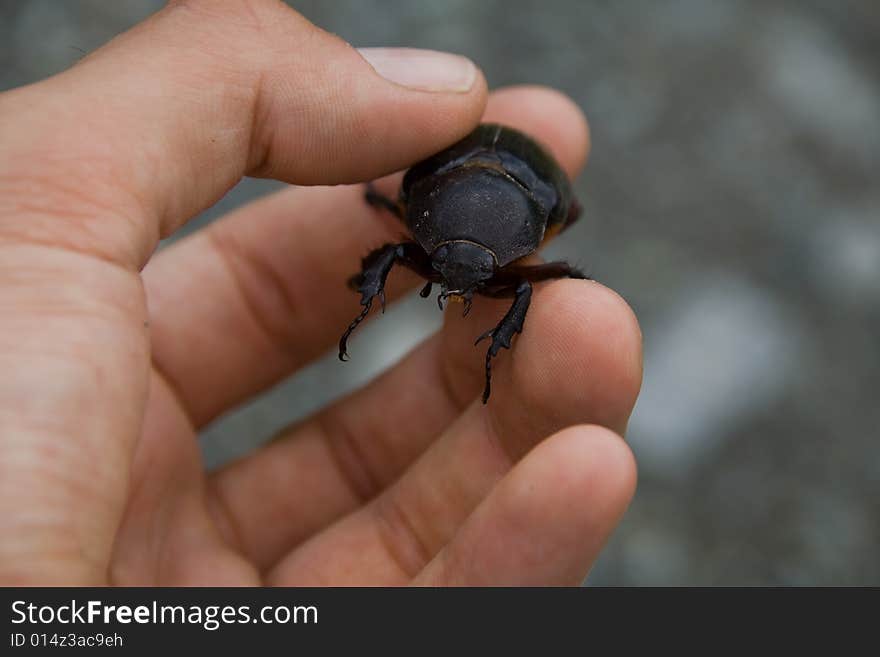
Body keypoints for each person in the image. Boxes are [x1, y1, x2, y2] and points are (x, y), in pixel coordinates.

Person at [0, 0, 642, 586]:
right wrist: (371, 298)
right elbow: (400, 244)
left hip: (509, 186)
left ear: (530, 236)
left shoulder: (518, 233)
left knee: (541, 297)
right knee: (410, 252)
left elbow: (497, 252)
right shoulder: (427, 220)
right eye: (447, 259)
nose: (454, 279)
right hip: (468, 192)